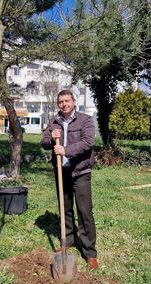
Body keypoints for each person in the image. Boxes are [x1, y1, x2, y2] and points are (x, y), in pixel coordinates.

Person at [40, 90, 98, 271]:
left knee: (84, 212)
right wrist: (51, 138)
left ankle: (90, 253)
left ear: (74, 101)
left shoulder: (85, 120)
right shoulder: (54, 121)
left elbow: (88, 142)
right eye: (61, 102)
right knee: (64, 209)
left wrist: (66, 150)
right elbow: (44, 142)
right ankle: (69, 240)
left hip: (80, 171)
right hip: (61, 171)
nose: (64, 104)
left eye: (67, 101)